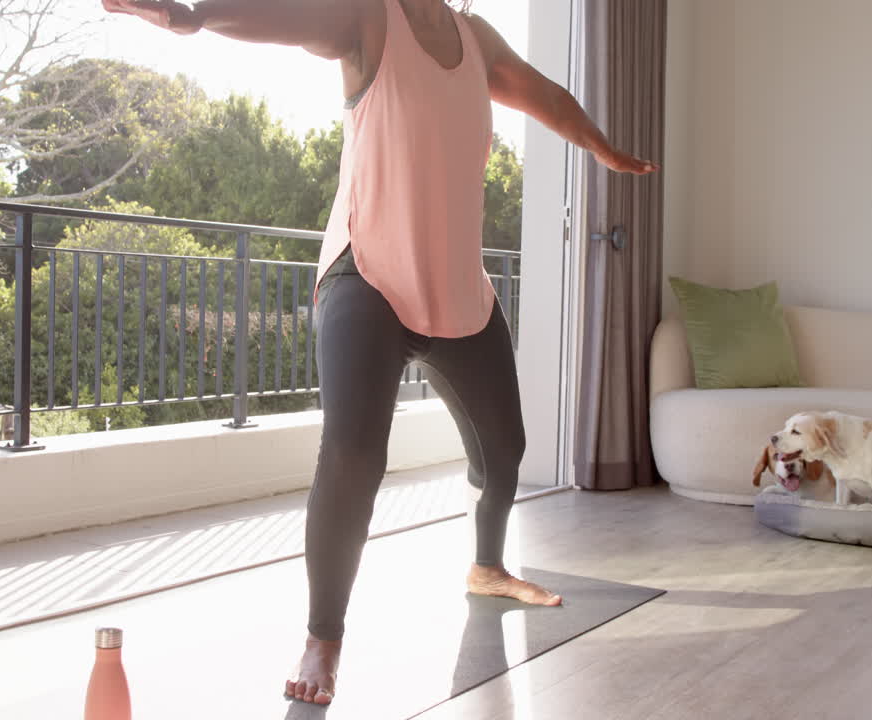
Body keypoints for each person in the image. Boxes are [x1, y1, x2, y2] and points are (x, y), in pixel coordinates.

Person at [103, 0, 659, 705]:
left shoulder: (474, 37)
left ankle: (487, 567)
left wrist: (601, 147)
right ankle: (322, 636)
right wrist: (198, 17)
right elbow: (290, 19)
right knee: (355, 453)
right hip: (367, 272)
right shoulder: (371, 18)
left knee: (506, 449)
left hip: (455, 285)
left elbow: (547, 96)